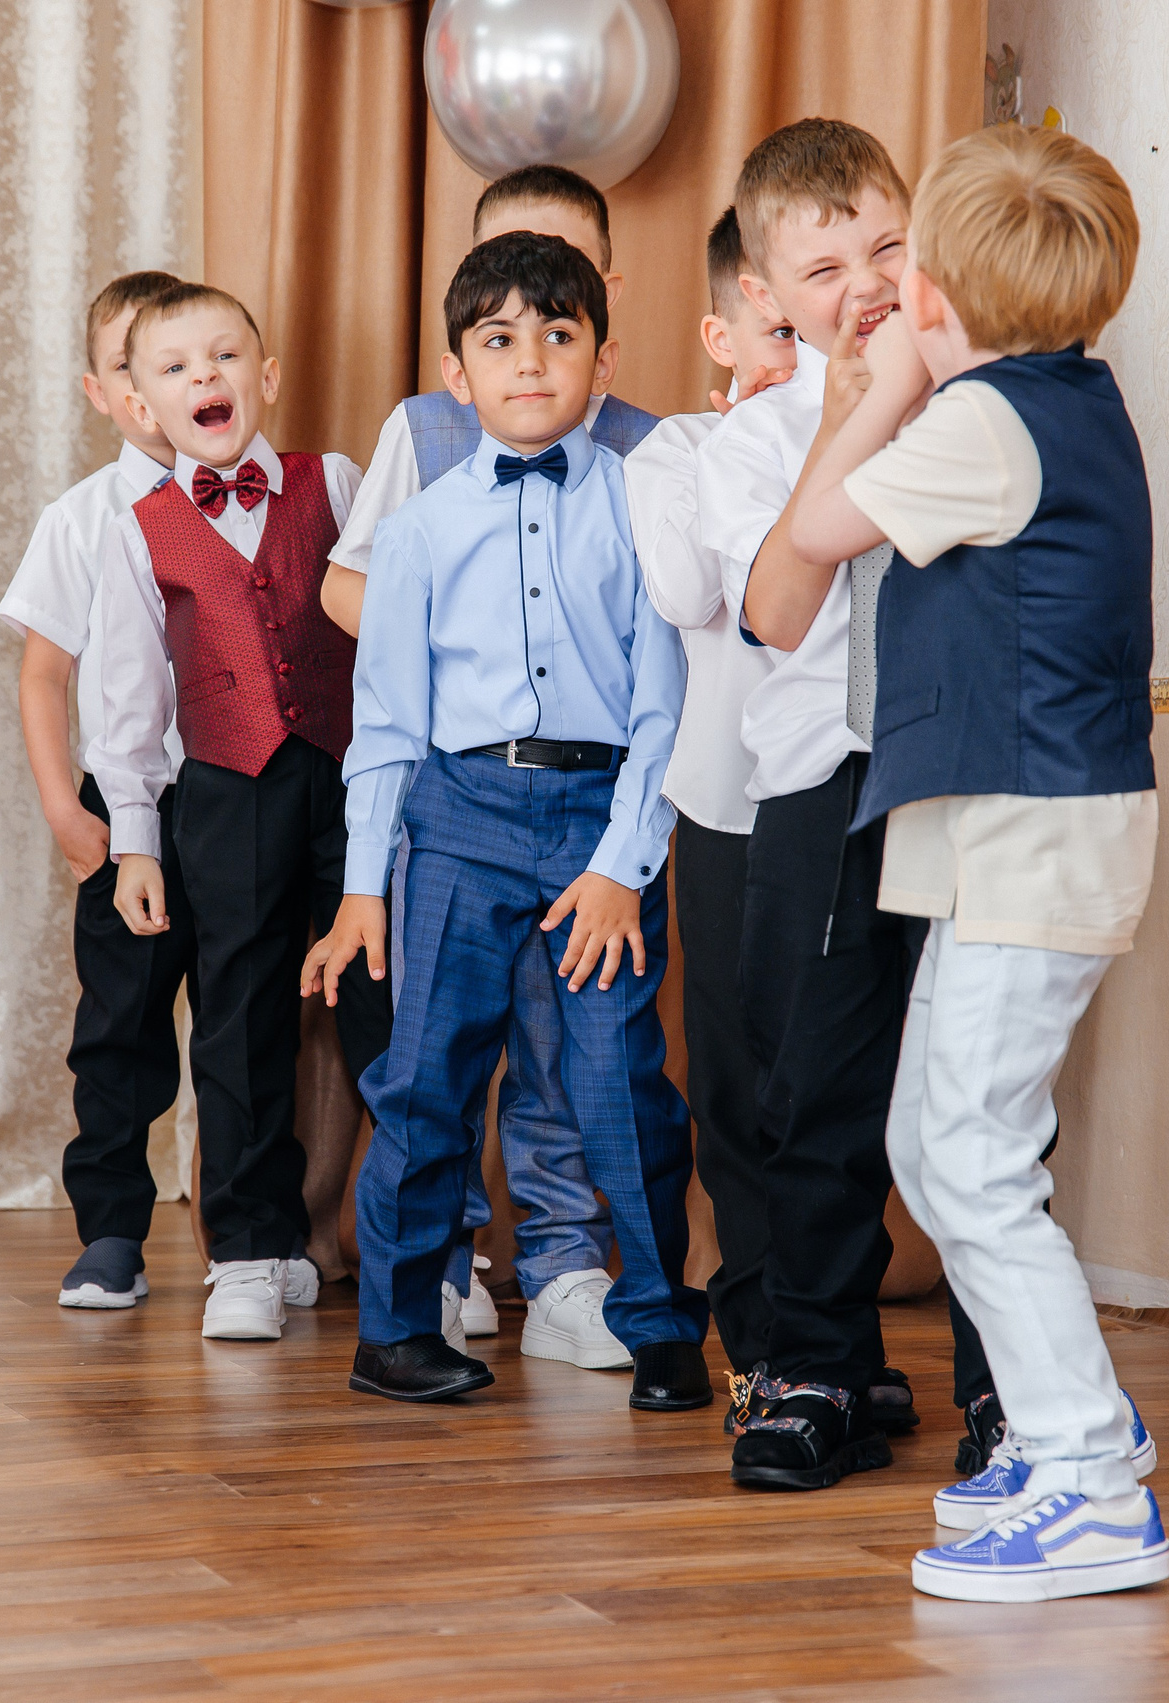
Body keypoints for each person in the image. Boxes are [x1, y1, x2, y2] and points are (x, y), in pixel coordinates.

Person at [782, 122, 1169, 1602]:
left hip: (1033, 831)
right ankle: (1082, 1428)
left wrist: (885, 376)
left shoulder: (983, 422)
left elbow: (818, 528)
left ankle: (1086, 1474)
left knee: (979, 1162)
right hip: (997, 835)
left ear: (935, 286)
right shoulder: (1060, 395)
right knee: (929, 1149)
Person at [305, 232, 707, 1412]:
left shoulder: (642, 506)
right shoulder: (421, 528)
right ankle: (394, 1327)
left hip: (598, 826)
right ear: (455, 373)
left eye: (557, 334)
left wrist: (626, 865)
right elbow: (384, 720)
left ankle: (660, 1323)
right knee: (424, 1076)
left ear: (602, 355)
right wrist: (365, 883)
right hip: (459, 816)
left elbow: (662, 705)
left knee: (618, 1078)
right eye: (499, 339)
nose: (529, 360)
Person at [695, 116, 933, 1490]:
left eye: (887, 247)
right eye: (825, 262)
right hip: (817, 785)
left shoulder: (981, 398)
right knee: (813, 1091)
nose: (865, 284)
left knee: (969, 1089)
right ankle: (821, 1366)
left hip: (954, 769)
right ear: (765, 299)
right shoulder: (742, 447)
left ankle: (1012, 1386)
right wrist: (848, 416)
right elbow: (780, 613)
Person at [91, 280, 393, 1344]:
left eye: (224, 358)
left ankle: (424, 1244)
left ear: (264, 378)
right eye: (173, 368)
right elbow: (125, 692)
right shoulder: (136, 529)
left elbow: (391, 627)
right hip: (224, 788)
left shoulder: (340, 479)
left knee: (384, 1004)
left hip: (355, 778)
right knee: (240, 1017)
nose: (203, 379)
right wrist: (135, 839)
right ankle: (252, 1251)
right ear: (140, 406)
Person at [0, 270, 193, 1313]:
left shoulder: (271, 494)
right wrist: (66, 813)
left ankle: (254, 1235)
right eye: (129, 363)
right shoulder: (80, 518)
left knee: (251, 1025)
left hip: (239, 799)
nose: (150, 383)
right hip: (125, 808)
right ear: (101, 387)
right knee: (120, 1025)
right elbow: (43, 673)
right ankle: (112, 1228)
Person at [627, 209, 795, 1430]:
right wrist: (765, 439)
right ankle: (762, 1335)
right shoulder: (676, 451)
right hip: (727, 797)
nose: (799, 351)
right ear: (721, 329)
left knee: (829, 1074)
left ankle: (828, 1326)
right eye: (777, 328)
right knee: (733, 1076)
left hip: (841, 793)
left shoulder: (863, 435)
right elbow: (692, 591)